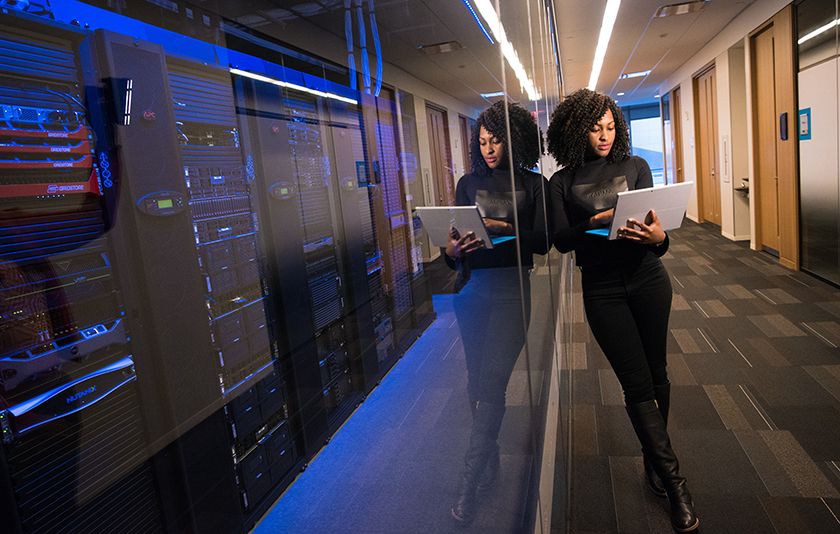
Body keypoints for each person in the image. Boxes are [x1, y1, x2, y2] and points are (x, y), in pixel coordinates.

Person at [546, 88, 698, 533]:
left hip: (648, 278)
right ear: (577, 130)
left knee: (658, 373)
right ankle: (675, 485)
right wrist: (591, 223)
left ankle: (654, 460)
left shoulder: (636, 167)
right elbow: (559, 239)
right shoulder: (562, 181)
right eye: (595, 128)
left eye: (611, 127)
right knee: (635, 384)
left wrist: (660, 239)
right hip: (602, 289)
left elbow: (658, 233)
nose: (605, 135)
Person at [444, 101, 548, 524]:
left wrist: (503, 229)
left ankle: (469, 483)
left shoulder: (532, 183)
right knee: (475, 383)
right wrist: (452, 251)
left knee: (493, 383)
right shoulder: (467, 183)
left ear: (514, 137)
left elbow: (543, 243)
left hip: (511, 293)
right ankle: (489, 459)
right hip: (472, 291)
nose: (488, 148)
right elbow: (453, 253)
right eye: (482, 141)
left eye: (496, 140)